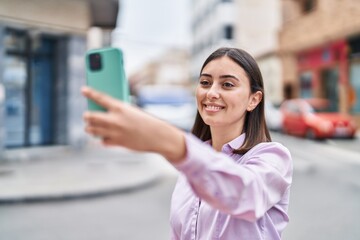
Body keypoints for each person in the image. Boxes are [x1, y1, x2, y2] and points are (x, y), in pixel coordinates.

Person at [82, 47, 293, 240]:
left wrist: (170, 142)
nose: (211, 93)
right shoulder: (191, 168)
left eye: (227, 84)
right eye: (205, 82)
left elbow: (245, 194)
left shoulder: (273, 157)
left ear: (253, 100)